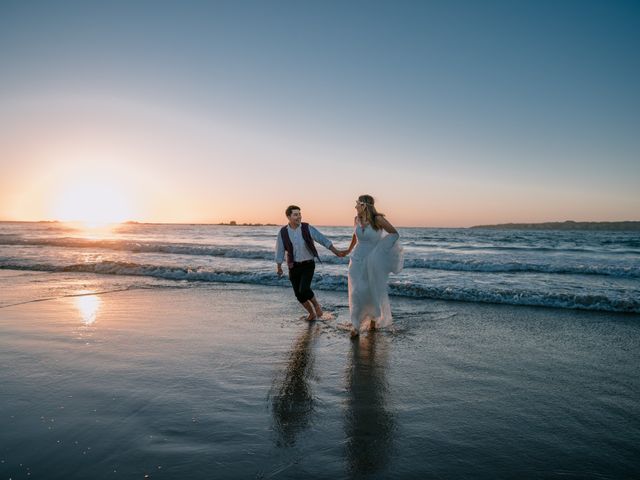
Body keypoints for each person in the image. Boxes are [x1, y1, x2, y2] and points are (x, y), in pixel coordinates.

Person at [340, 195, 403, 337]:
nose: (355, 206)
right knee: (356, 291)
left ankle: (373, 320)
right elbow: (355, 236)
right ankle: (355, 325)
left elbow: (394, 234)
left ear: (364, 205)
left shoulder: (378, 219)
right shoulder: (356, 219)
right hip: (356, 259)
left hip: (373, 260)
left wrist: (379, 251)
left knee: (371, 289)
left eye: (357, 203)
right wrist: (349, 250)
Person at [276, 205, 344, 321]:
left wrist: (336, 251)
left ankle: (316, 304)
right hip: (293, 266)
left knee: (304, 289)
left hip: (308, 265)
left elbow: (322, 239)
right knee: (298, 295)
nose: (299, 217)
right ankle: (311, 313)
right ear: (288, 217)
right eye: (295, 215)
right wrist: (279, 266)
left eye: (300, 214)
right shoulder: (283, 232)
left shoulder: (307, 228)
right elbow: (280, 249)